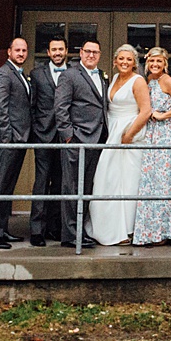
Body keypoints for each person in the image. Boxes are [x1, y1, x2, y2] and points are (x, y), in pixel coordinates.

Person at [90, 45, 151, 246]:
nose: (124, 62)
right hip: (112, 133)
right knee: (107, 180)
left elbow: (145, 111)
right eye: (121, 59)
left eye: (129, 59)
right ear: (115, 61)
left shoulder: (138, 81)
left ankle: (127, 229)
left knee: (128, 182)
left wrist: (129, 135)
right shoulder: (114, 79)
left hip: (129, 135)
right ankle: (106, 226)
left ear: (134, 62)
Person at [53, 40, 108, 248]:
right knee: (72, 187)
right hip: (77, 140)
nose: (91, 55)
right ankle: (70, 235)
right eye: (88, 51)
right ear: (81, 52)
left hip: (97, 140)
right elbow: (60, 108)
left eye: (95, 52)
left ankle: (81, 231)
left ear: (99, 54)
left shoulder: (102, 76)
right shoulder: (69, 75)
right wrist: (69, 136)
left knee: (86, 188)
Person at [132, 47, 171, 245]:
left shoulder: (167, 81)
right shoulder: (149, 81)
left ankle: (164, 232)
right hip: (151, 134)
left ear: (165, 64)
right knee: (150, 182)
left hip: (165, 134)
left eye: (159, 62)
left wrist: (164, 115)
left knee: (163, 182)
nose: (155, 65)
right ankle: (150, 231)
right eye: (152, 62)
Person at [0, 36, 33, 248]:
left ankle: (2, 229)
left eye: (24, 50)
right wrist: (7, 137)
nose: (21, 53)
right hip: (8, 140)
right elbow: (0, 108)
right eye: (17, 50)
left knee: (8, 186)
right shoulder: (3, 74)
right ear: (9, 53)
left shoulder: (21, 75)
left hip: (19, 140)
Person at [26, 38, 68, 245]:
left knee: (61, 183)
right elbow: (31, 106)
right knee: (41, 182)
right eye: (54, 49)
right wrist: (36, 130)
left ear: (66, 51)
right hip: (43, 135)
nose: (58, 52)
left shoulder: (74, 74)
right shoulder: (37, 74)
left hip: (66, 137)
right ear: (49, 52)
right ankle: (37, 230)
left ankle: (55, 227)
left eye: (61, 49)